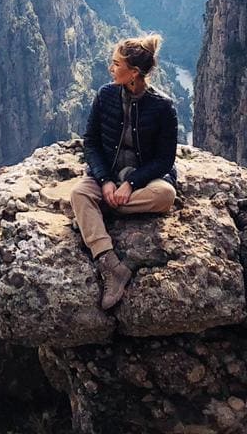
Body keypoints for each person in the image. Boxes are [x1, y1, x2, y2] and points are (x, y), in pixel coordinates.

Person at [70, 33, 179, 309]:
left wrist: (130, 183)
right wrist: (106, 180)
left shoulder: (163, 108)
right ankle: (111, 265)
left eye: (117, 64)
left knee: (165, 195)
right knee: (80, 193)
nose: (111, 68)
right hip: (107, 176)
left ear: (134, 73)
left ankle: (97, 213)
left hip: (143, 182)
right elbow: (91, 142)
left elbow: (165, 160)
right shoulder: (105, 95)